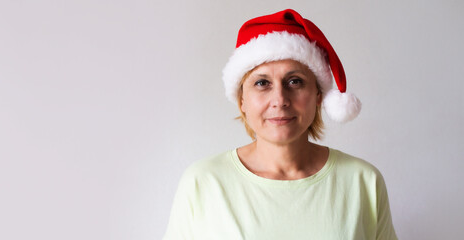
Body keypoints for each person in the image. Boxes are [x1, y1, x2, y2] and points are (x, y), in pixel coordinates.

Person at [163, 9, 397, 240]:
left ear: (318, 95)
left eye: (295, 81)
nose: (280, 100)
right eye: (262, 82)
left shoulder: (363, 181)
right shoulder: (203, 182)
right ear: (242, 100)